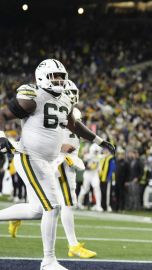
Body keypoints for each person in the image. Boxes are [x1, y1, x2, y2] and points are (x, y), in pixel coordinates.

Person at [0, 59, 114, 270]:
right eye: (55, 76)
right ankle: (48, 261)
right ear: (42, 77)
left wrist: (99, 141)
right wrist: (1, 136)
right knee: (53, 207)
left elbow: (74, 125)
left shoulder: (65, 100)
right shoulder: (32, 97)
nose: (59, 80)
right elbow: (3, 115)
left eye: (61, 76)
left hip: (46, 161)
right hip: (29, 157)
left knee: (37, 211)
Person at [7, 80, 97, 259]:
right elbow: (59, 133)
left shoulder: (59, 105)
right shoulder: (60, 105)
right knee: (64, 204)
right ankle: (71, 246)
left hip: (51, 161)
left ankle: (17, 215)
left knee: (38, 209)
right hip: (59, 162)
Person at [77, 144, 104, 212]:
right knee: (85, 189)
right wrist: (88, 166)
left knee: (97, 188)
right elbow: (84, 165)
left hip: (94, 175)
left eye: (97, 151)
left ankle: (98, 205)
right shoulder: (87, 156)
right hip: (87, 174)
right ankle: (79, 203)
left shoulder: (99, 156)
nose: (96, 152)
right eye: (95, 151)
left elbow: (105, 155)